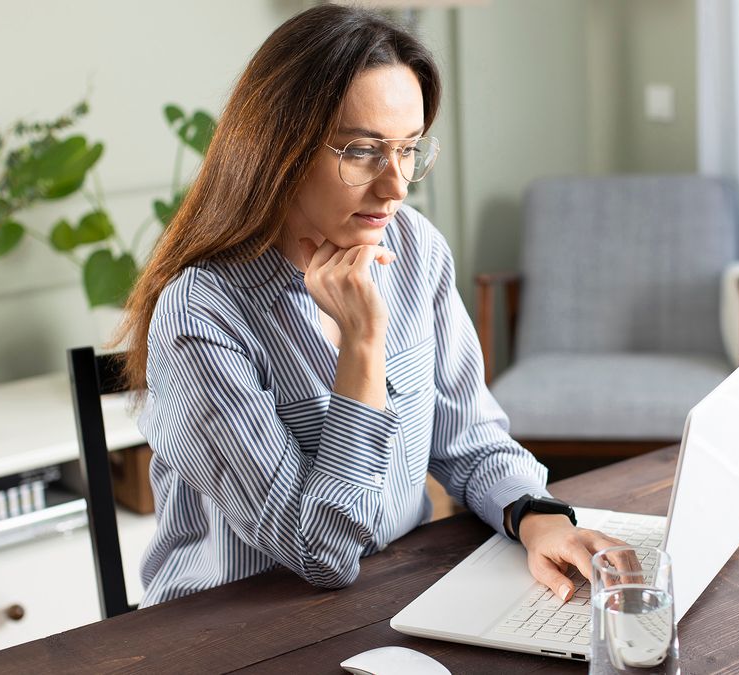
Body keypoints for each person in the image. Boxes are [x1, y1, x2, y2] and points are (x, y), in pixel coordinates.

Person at [119, 4, 624, 608]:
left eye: (408, 149)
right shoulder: (200, 316)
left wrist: (538, 518)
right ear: (280, 149)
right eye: (362, 151)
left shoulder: (415, 250)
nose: (396, 185)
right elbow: (321, 551)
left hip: (390, 593)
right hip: (237, 626)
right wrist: (362, 344)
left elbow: (470, 438)